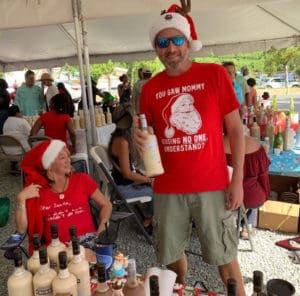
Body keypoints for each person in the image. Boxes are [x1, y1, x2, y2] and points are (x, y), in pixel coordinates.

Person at [136, 3, 246, 295]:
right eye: (162, 42)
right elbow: (149, 140)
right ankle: (180, 291)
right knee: (171, 256)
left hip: (212, 184)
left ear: (188, 42)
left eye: (176, 40)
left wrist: (237, 181)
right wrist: (140, 142)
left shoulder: (214, 75)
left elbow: (235, 130)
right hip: (168, 188)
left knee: (224, 255)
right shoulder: (149, 89)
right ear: (156, 48)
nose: (170, 48)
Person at [15, 139, 112, 255]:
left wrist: (103, 225)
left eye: (68, 157)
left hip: (90, 244)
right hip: (57, 251)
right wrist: (21, 200)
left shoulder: (81, 179)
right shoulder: (37, 191)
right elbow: (21, 229)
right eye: (62, 158)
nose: (68, 161)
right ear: (49, 165)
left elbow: (106, 204)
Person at [108, 103, 153, 233]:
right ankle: (148, 221)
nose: (136, 119)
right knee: (156, 191)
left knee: (152, 181)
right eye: (134, 116)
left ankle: (150, 215)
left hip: (121, 183)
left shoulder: (119, 137)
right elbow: (127, 174)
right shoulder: (122, 141)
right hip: (123, 188)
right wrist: (148, 180)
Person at [224, 132, 270, 239]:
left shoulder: (210, 144)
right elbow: (263, 178)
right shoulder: (255, 143)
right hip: (249, 197)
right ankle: (247, 226)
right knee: (254, 189)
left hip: (217, 198)